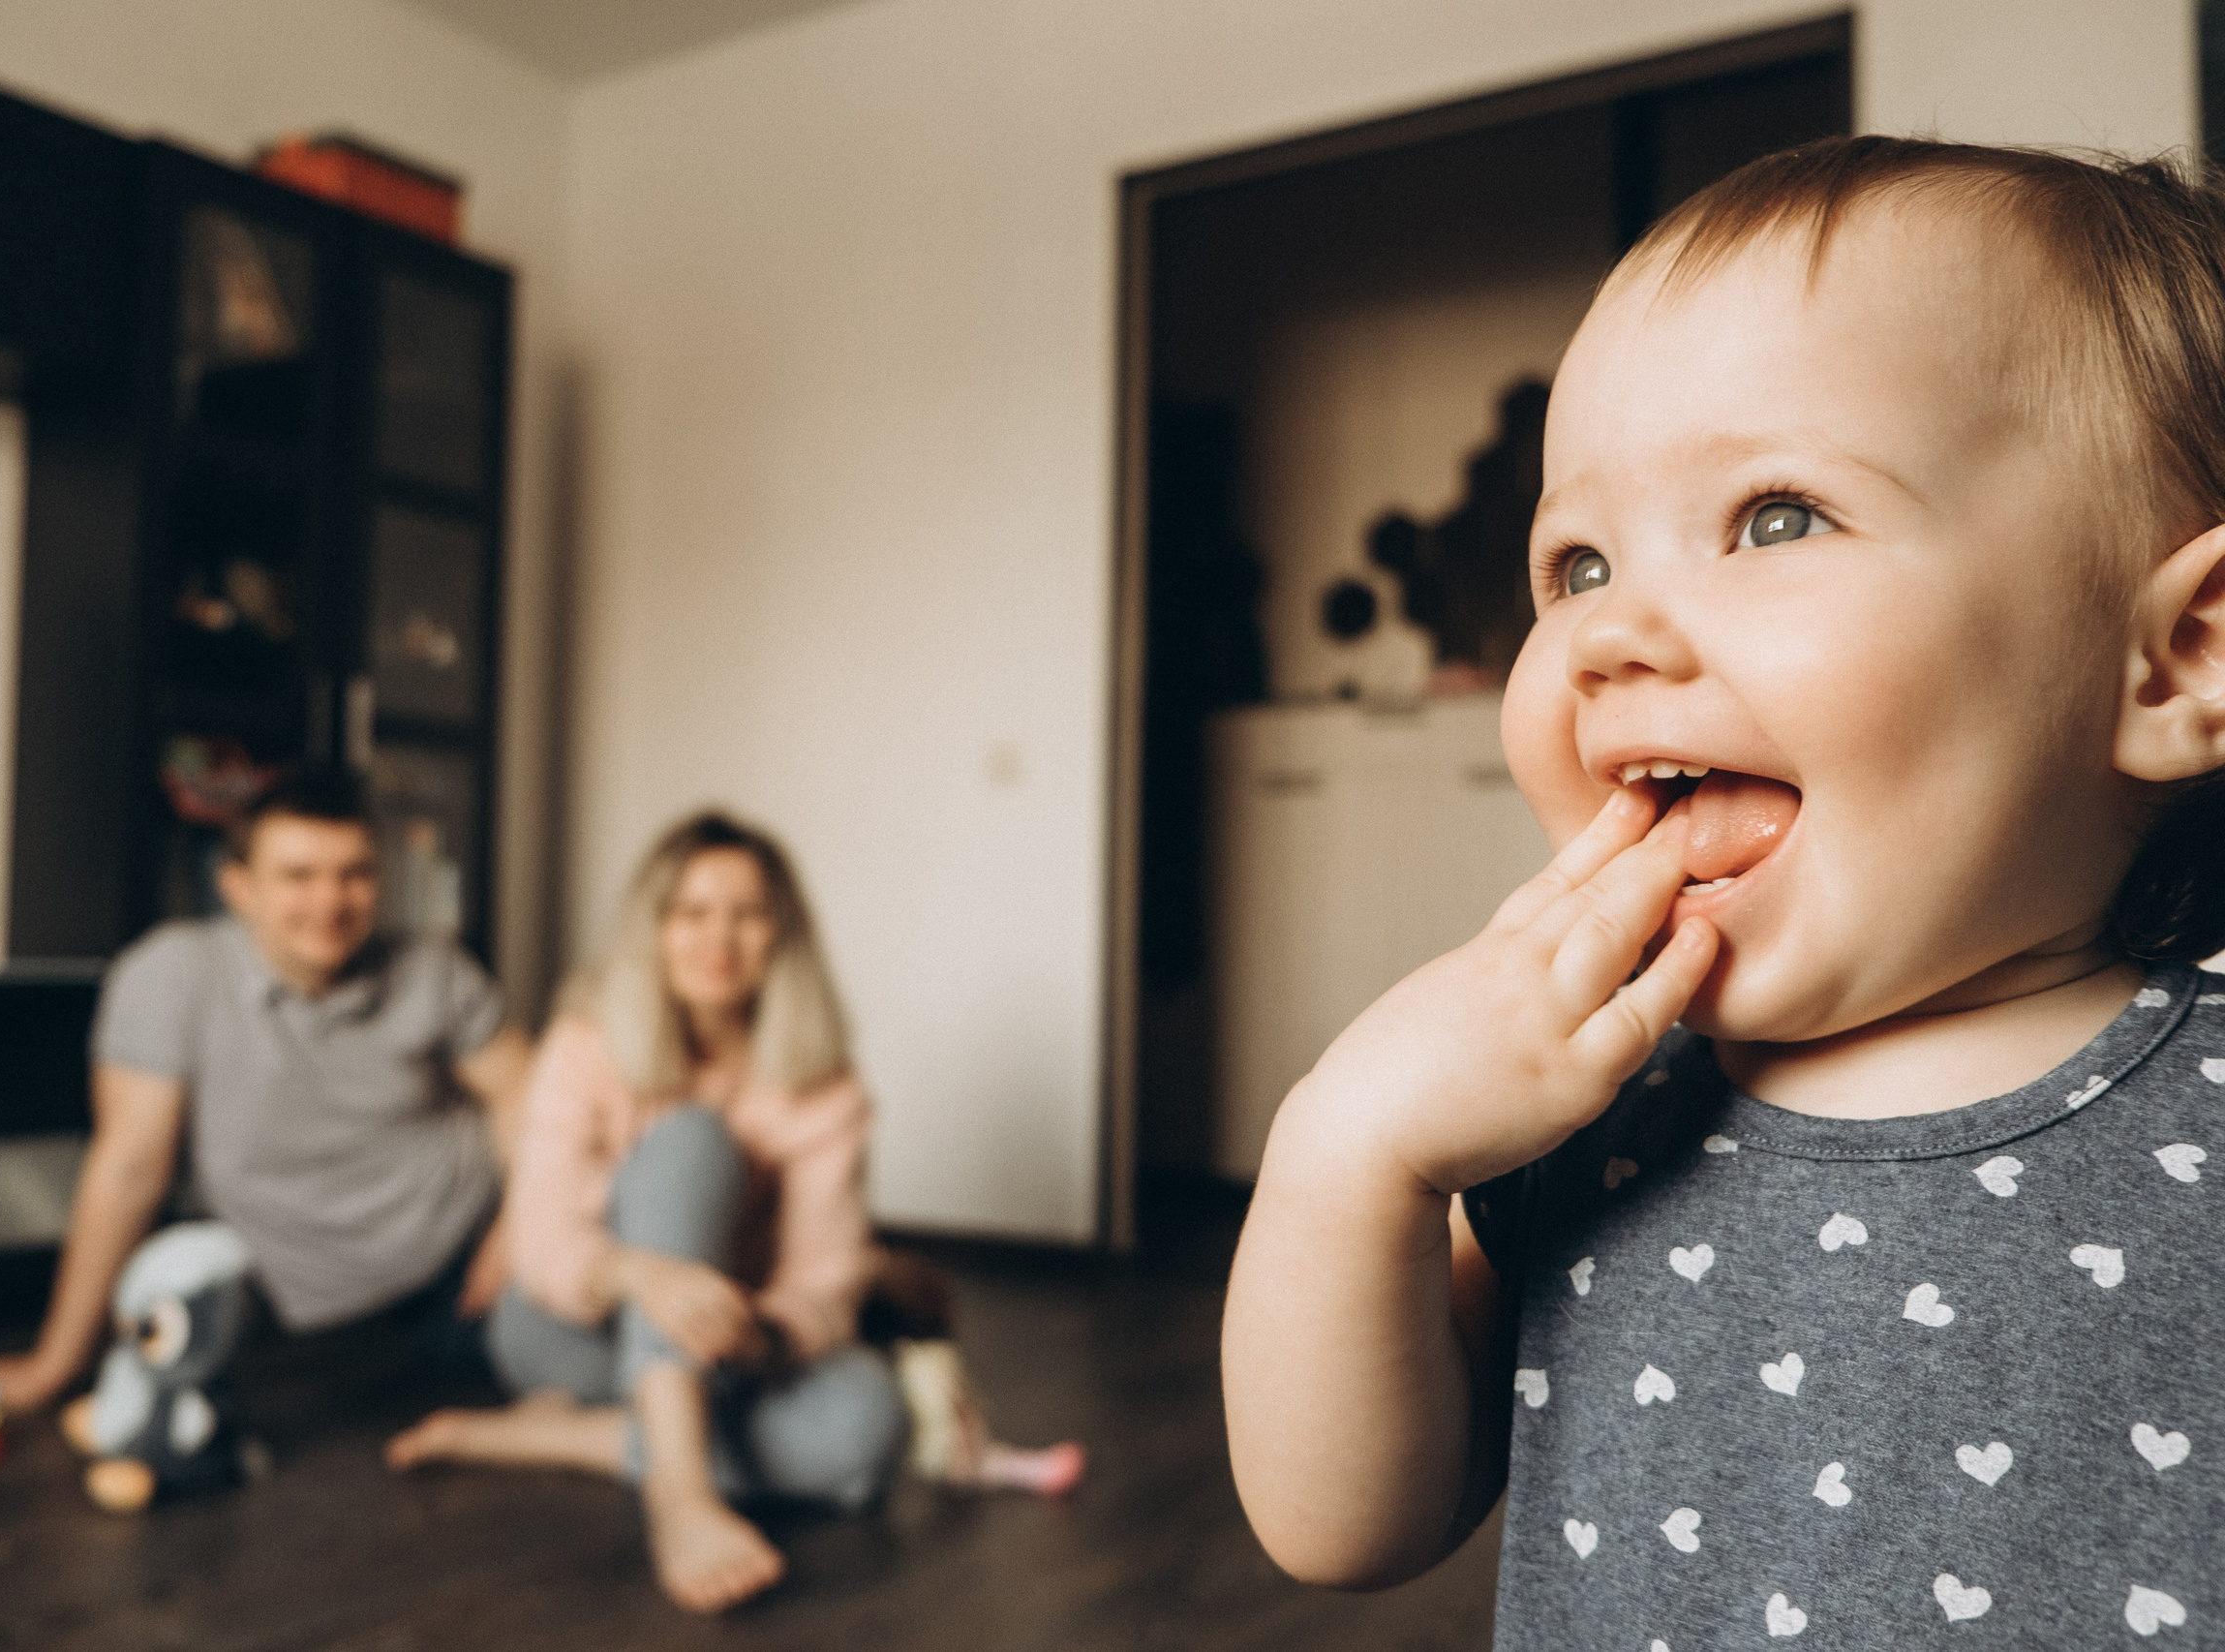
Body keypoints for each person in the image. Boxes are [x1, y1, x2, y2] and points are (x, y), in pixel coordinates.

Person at [1223, 137, 2225, 1646]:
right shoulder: (1587, 1107)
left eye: (1774, 516)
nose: (1608, 635)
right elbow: (1342, 1521)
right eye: (1575, 564)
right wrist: (1347, 1151)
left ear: (2181, 659)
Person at [388, 811, 1050, 1615]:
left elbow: (826, 1275)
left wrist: (759, 1332)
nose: (719, 939)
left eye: (748, 914)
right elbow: (547, 1235)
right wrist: (642, 1273)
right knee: (693, 1141)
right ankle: (682, 1498)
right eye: (691, 913)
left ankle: (548, 1436)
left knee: (869, 1436)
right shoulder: (584, 1043)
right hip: (571, 1326)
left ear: (781, 935)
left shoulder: (824, 1086)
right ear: (654, 929)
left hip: (732, 1348)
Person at [0, 768, 533, 1447]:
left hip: (459, 1263)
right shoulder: (169, 975)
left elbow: (529, 1097)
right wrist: (52, 1368)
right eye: (298, 876)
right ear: (239, 888)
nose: (330, 901)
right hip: (279, 1293)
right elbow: (128, 1172)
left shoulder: (436, 969)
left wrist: (521, 1228)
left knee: (572, 1362)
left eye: (355, 874)